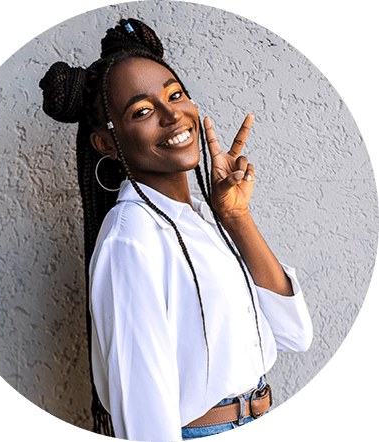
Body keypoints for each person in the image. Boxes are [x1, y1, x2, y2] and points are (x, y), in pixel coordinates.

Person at [39, 18, 313, 441]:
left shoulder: (203, 217)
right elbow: (144, 418)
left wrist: (236, 217)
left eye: (175, 95)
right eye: (142, 111)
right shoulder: (131, 239)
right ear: (106, 144)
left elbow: (294, 334)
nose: (172, 115)